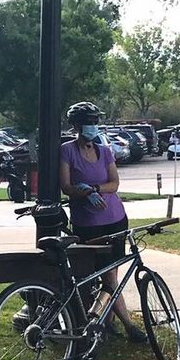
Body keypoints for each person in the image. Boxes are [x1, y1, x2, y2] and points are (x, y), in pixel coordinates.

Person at [59, 101, 147, 343]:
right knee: (100, 276)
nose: (92, 126)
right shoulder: (67, 150)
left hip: (115, 219)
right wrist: (83, 191)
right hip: (88, 224)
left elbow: (114, 183)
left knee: (111, 277)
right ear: (77, 126)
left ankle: (111, 323)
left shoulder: (104, 150)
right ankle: (122, 325)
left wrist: (96, 188)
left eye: (95, 122)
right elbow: (66, 186)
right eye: (88, 122)